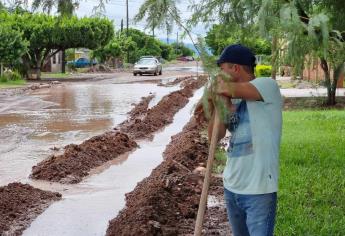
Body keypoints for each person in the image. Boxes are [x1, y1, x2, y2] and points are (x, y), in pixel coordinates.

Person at [196, 44, 283, 236]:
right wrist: (220, 103)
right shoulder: (230, 97)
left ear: (235, 68)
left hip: (259, 190)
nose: (219, 73)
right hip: (232, 186)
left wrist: (220, 89)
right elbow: (214, 137)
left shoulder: (267, 86)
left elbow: (226, 87)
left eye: (222, 68)